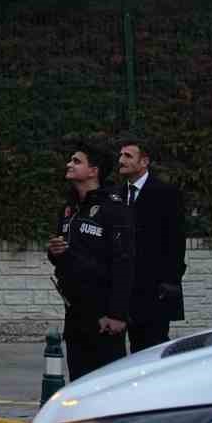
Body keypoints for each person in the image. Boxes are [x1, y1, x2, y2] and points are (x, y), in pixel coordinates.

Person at [47, 141, 135, 381]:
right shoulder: (69, 208)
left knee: (107, 384)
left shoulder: (113, 207)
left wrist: (117, 314)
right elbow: (64, 257)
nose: (69, 164)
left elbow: (124, 262)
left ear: (93, 171)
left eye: (76, 161)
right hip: (75, 311)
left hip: (104, 314)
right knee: (79, 382)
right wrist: (54, 252)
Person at [117, 138, 187, 353]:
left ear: (144, 161)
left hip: (153, 293)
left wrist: (168, 283)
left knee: (150, 352)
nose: (121, 160)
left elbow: (175, 242)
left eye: (128, 156)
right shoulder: (115, 195)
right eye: (120, 155)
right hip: (121, 291)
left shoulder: (166, 194)